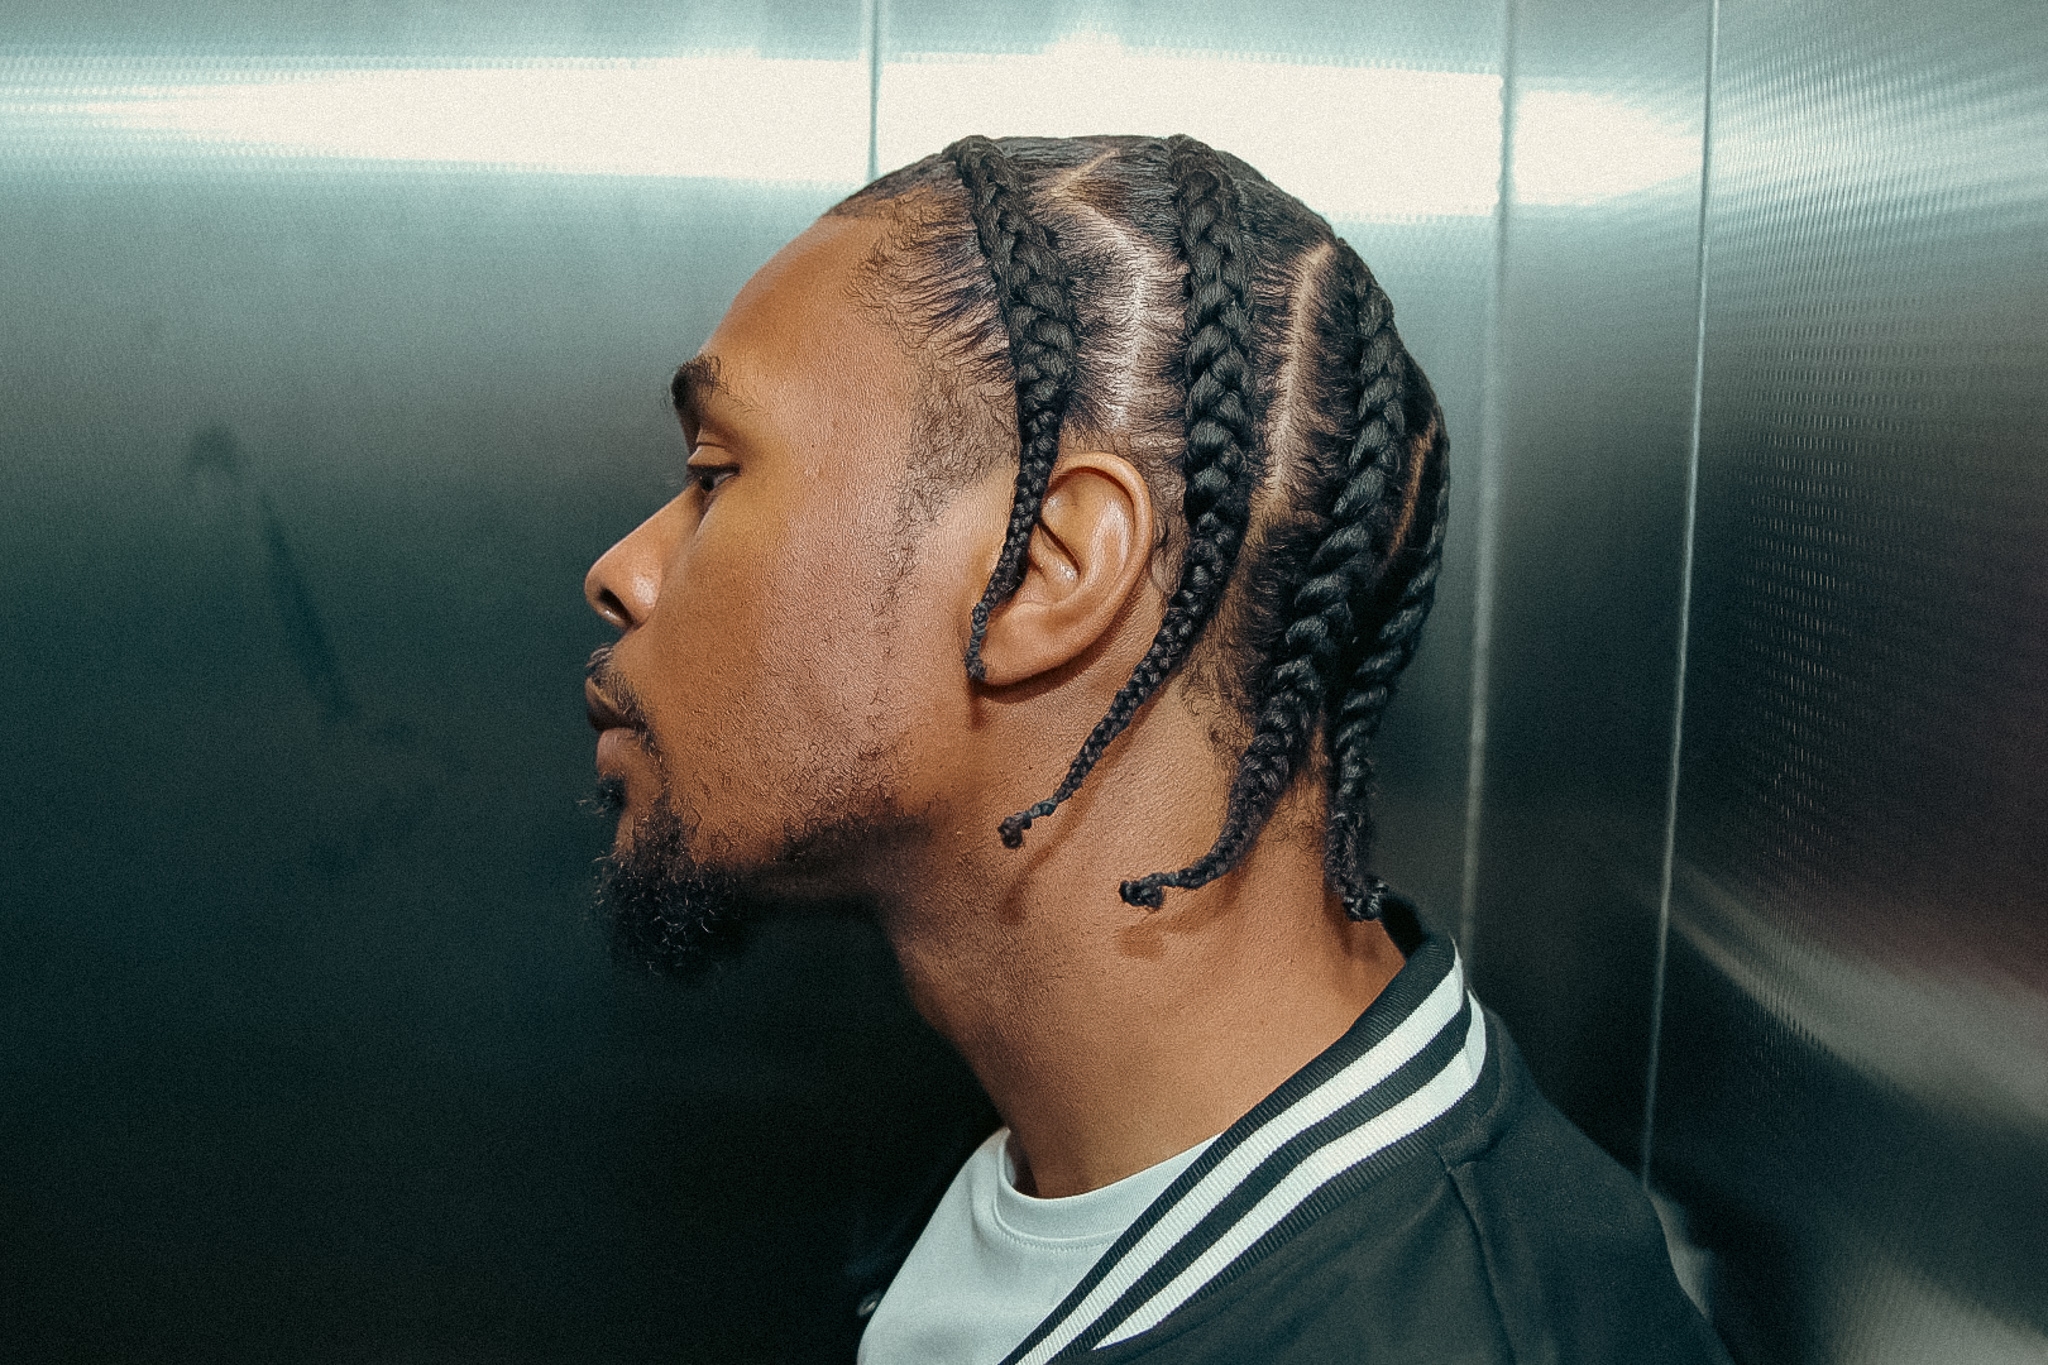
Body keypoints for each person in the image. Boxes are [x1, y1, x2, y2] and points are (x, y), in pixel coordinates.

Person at [582, 134, 1729, 1364]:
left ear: (1041, 571)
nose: (620, 573)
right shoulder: (1074, 1156)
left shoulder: (1446, 1335)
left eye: (715, 473)